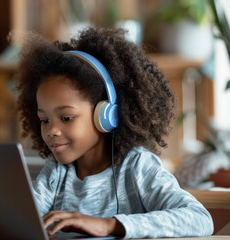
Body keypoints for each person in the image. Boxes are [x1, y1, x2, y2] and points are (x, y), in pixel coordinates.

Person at [15, 27, 213, 239]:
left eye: (66, 118)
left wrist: (110, 225)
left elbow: (200, 219)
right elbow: (18, 224)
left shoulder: (137, 167)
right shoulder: (56, 174)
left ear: (106, 115)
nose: (52, 130)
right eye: (44, 120)